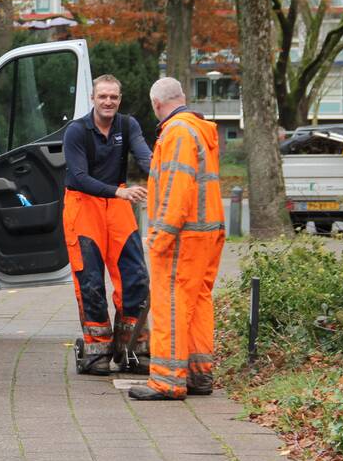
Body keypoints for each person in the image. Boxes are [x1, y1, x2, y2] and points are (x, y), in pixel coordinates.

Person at [130, 77, 225, 401]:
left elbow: (176, 188)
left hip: (183, 237)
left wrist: (160, 236)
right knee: (198, 302)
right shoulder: (198, 129)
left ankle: (167, 381)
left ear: (156, 104)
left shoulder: (176, 132)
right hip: (206, 232)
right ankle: (199, 374)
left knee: (170, 304)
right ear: (181, 97)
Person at [62, 74, 152, 375]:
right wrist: (118, 192)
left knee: (135, 277)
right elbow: (79, 177)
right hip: (83, 206)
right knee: (91, 282)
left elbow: (145, 157)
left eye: (113, 97)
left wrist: (162, 172)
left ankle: (133, 348)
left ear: (120, 99)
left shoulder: (127, 126)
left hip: (118, 206)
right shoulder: (76, 131)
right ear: (93, 98)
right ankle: (96, 351)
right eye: (103, 96)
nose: (108, 101)